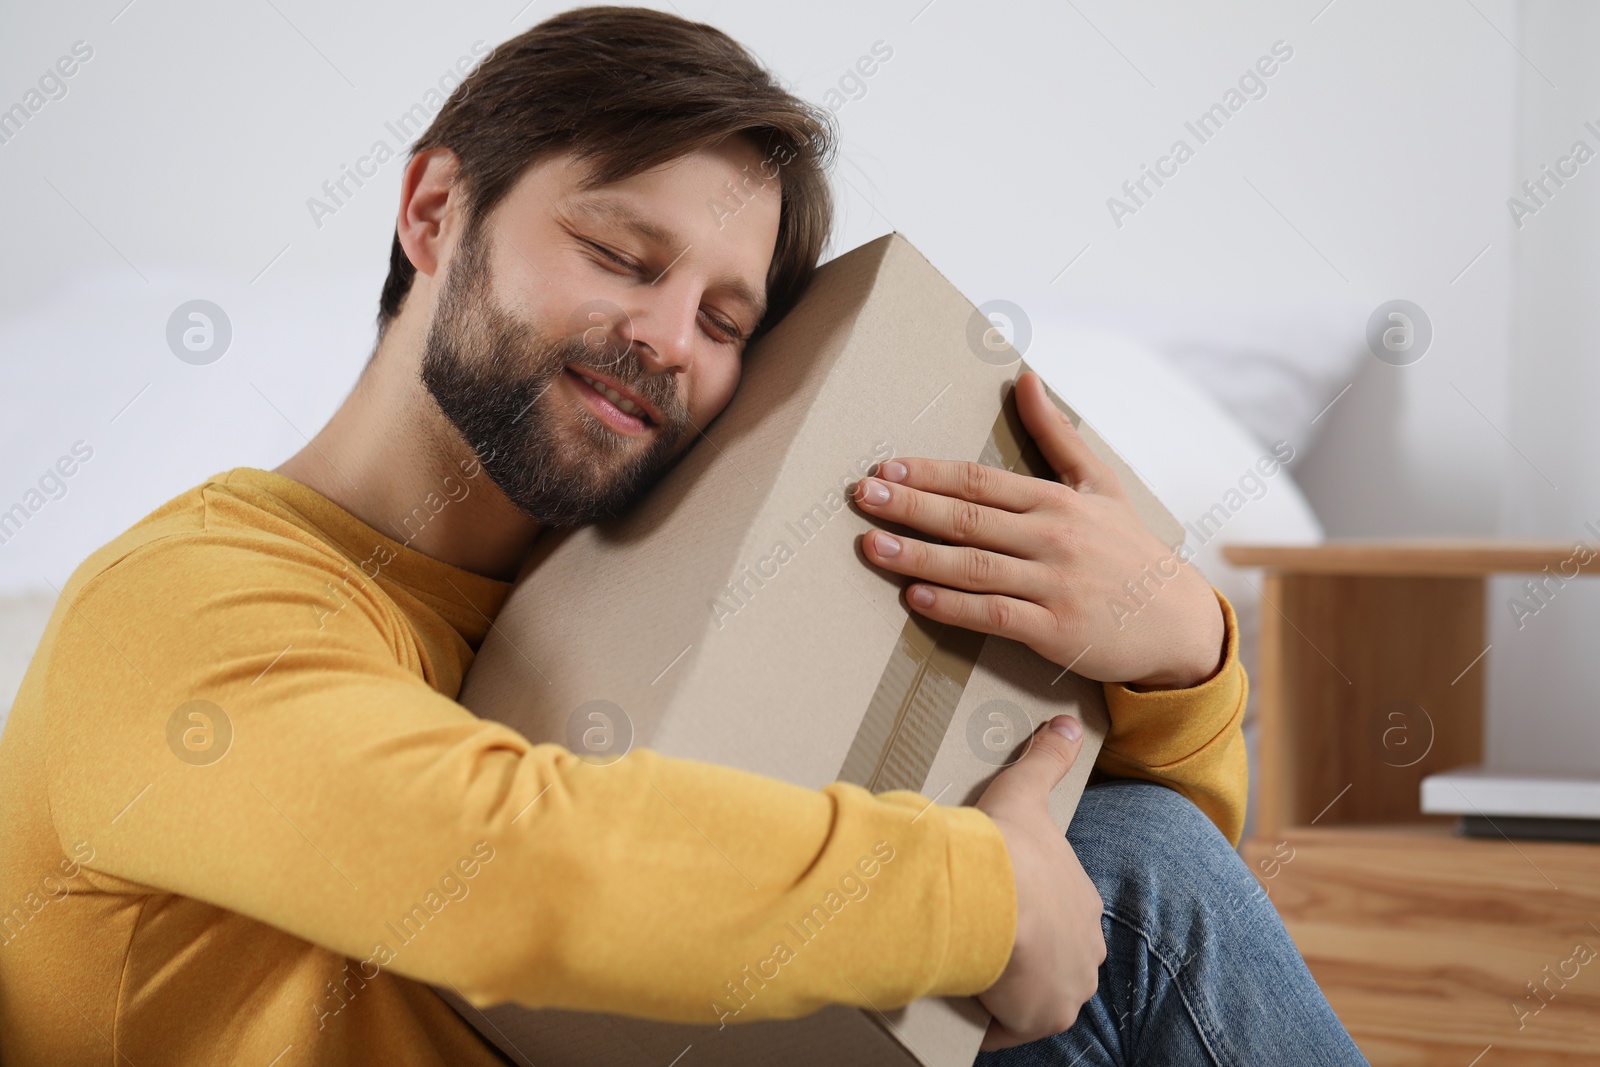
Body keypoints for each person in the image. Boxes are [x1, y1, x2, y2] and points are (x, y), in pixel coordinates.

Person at [0, 6, 1365, 1064]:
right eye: (618, 255)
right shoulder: (180, 601)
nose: (664, 340)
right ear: (432, 210)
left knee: (1131, 857)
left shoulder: (619, 613)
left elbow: (1139, 907)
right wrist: (980, 895)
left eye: (724, 321)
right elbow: (506, 870)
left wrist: (1182, 650)